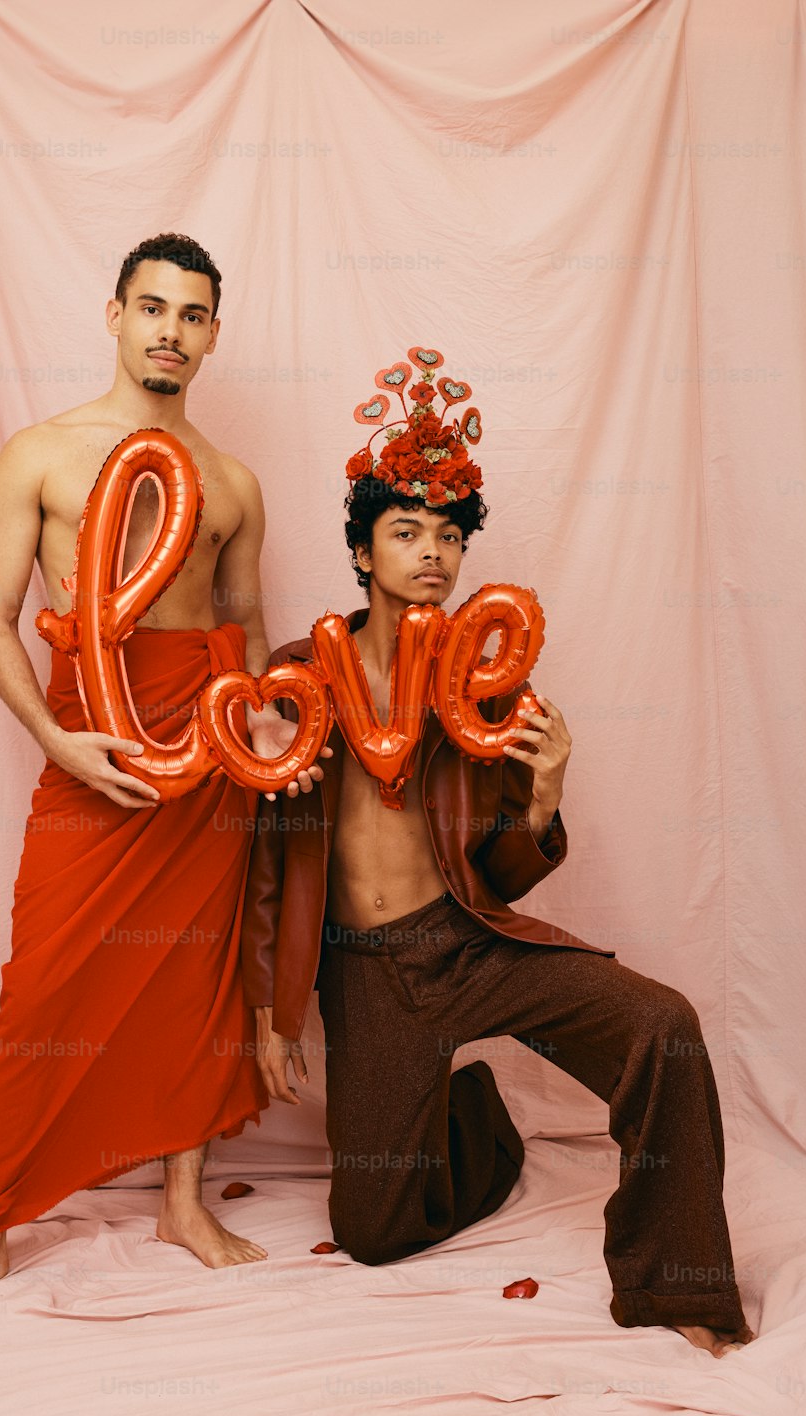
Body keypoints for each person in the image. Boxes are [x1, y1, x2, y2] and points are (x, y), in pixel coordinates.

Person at [242, 350, 753, 1357]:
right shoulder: (299, 676)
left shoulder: (486, 686)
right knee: (370, 1232)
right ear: (360, 552)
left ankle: (674, 1284)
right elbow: (264, 862)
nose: (429, 552)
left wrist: (549, 788)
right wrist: (267, 1001)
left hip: (468, 939)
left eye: (446, 534)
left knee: (668, 1027)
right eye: (404, 531)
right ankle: (476, 1116)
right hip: (366, 970)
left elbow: (506, 875)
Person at [0, 233, 323, 1325]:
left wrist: (281, 714)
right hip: (92, 745)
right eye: (152, 308)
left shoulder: (233, 482)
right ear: (115, 314)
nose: (169, 330)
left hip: (204, 762)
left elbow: (248, 624)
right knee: (38, 990)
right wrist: (55, 738)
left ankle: (182, 1200)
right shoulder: (41, 454)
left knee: (193, 982)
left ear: (212, 335)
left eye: (191, 315)